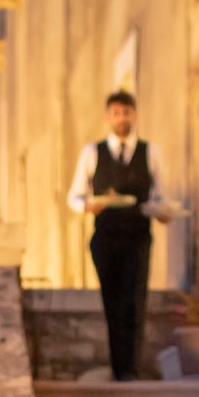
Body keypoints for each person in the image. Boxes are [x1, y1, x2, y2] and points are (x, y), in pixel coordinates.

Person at [65, 89, 176, 380]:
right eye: (116, 113)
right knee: (112, 300)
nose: (121, 118)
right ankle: (118, 366)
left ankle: (131, 369)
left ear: (133, 115)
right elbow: (74, 197)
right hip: (106, 236)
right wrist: (88, 206)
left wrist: (162, 211)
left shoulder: (150, 152)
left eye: (126, 112)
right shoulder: (92, 153)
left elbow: (159, 197)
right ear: (108, 117)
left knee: (135, 299)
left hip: (138, 234)